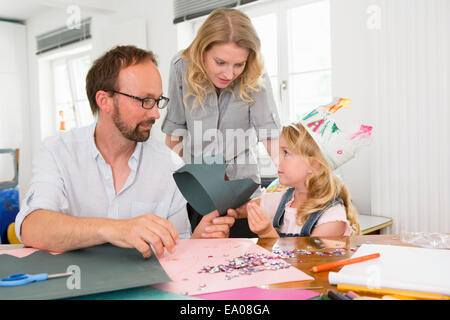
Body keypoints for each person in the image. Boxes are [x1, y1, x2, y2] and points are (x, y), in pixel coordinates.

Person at [15, 45, 235, 258]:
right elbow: (31, 227)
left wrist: (197, 242)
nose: (156, 115)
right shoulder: (58, 151)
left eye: (157, 101)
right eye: (145, 100)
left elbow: (174, 249)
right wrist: (114, 229)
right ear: (105, 101)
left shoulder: (169, 165)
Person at [162, 8, 281, 189]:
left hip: (244, 182)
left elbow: (269, 133)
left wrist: (292, 178)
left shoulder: (255, 72)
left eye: (239, 64)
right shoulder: (181, 67)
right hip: (199, 184)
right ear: (202, 51)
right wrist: (178, 189)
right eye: (220, 62)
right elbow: (174, 133)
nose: (229, 73)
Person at [228, 100, 373, 238]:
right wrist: (228, 214)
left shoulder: (332, 219)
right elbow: (246, 209)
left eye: (286, 153)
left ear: (314, 165)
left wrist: (267, 233)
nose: (277, 160)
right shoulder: (282, 199)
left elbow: (304, 261)